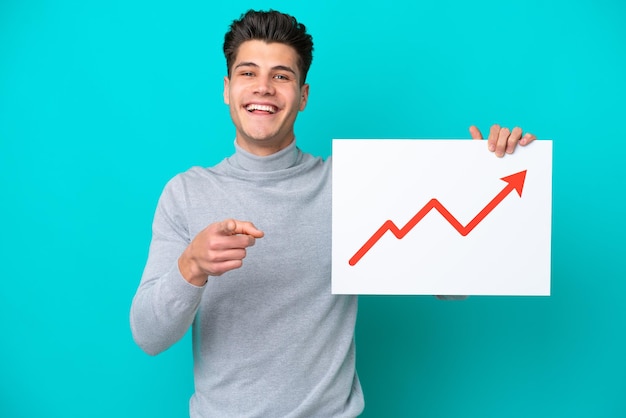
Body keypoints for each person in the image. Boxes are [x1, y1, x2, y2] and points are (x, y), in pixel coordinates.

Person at [130, 9, 537, 417]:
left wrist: (487, 173)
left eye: (282, 76)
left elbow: (453, 283)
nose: (264, 88)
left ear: (303, 96)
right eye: (248, 73)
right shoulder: (185, 193)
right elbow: (149, 335)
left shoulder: (350, 185)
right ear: (227, 88)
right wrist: (191, 266)